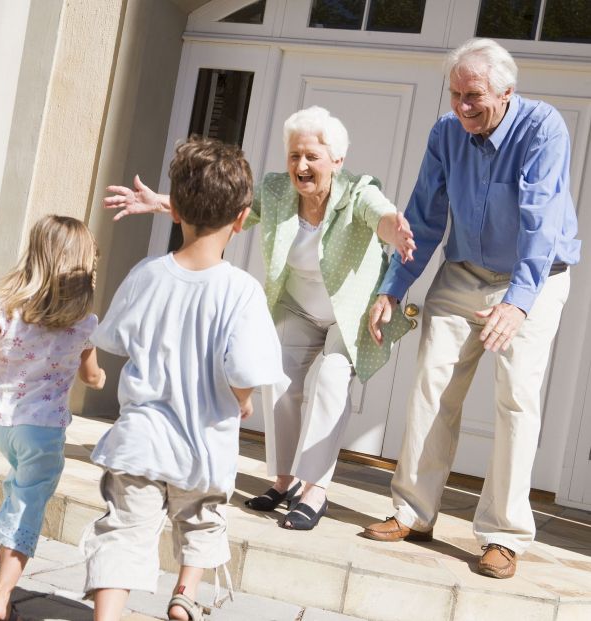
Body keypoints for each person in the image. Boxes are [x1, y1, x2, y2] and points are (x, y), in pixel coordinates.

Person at [104, 106, 416, 531]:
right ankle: (285, 480)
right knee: (282, 381)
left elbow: (380, 215)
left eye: (311, 157)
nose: (300, 166)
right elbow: (223, 208)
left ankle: (315, 488)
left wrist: (394, 231)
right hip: (298, 306)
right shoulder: (275, 190)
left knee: (329, 380)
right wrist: (163, 202)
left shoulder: (359, 192)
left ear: (337, 161)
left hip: (348, 316)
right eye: (293, 156)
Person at [364, 38, 580, 579]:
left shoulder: (542, 127)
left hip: (536, 276)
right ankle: (413, 512)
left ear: (507, 92)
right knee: (432, 387)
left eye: (474, 95)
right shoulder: (445, 133)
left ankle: (504, 534)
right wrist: (395, 287)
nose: (462, 106)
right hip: (463, 273)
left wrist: (520, 303)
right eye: (455, 93)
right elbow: (425, 214)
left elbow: (540, 220)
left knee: (515, 399)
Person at [82, 137, 286, 621]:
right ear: (242, 218)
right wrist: (244, 398)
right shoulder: (242, 291)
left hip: (141, 441)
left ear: (175, 211)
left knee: (124, 532)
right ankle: (183, 596)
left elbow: (113, 339)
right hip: (204, 444)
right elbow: (244, 370)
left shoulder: (147, 274)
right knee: (201, 521)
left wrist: (90, 368)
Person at [0, 215, 105, 621]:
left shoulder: (7, 306)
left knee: (18, 481)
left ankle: (1, 548)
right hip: (44, 432)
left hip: (3, 426)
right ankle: (1, 596)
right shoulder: (84, 322)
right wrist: (100, 380)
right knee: (30, 506)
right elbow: (91, 375)